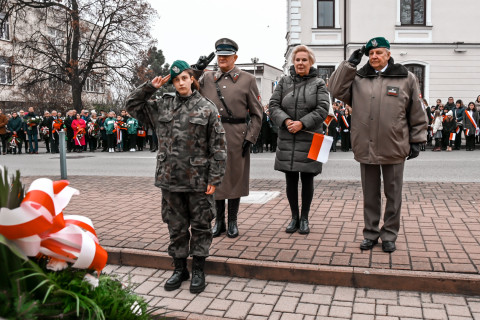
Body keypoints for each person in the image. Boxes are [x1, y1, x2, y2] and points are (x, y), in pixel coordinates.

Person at [126, 60, 227, 294]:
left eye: (184, 78)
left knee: (201, 225)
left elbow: (219, 148)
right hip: (170, 178)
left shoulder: (207, 107)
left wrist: (214, 178)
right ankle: (180, 269)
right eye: (176, 80)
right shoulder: (162, 105)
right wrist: (149, 87)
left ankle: (199, 269)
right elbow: (132, 105)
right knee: (176, 226)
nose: (180, 83)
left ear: (191, 78)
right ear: (171, 82)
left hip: (198, 179)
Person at [328, 37, 427, 253]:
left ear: (388, 54)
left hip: (394, 145)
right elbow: (334, 90)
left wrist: (417, 138)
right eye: (371, 53)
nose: (374, 56)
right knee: (370, 194)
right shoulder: (358, 78)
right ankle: (371, 233)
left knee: (393, 194)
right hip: (366, 145)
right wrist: (349, 65)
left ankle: (389, 234)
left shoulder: (406, 77)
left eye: (379, 53)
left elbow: (416, 110)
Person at [193, 38, 263, 238]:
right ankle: (219, 222)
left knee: (234, 179)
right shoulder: (206, 78)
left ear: (235, 57)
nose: (222, 58)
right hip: (211, 134)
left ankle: (232, 221)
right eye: (219, 55)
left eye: (226, 55)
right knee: (215, 178)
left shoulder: (247, 79)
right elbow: (186, 85)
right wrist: (197, 69)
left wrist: (250, 137)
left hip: (236, 134)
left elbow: (258, 114)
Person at [268, 45, 329, 234]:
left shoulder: (319, 83)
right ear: (292, 62)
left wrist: (301, 123)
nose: (300, 63)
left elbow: (322, 109)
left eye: (304, 60)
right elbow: (273, 105)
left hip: (311, 137)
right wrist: (286, 121)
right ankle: (294, 217)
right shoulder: (284, 82)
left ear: (310, 62)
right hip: (288, 136)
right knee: (291, 179)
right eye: (297, 60)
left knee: (308, 179)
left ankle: (305, 218)